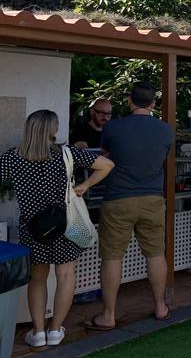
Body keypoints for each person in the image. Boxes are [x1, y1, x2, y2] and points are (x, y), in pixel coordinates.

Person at [1, 110, 113, 347]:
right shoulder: (66, 153)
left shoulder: (13, 157)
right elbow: (107, 165)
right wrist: (83, 186)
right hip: (66, 223)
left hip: (33, 228)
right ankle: (55, 331)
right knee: (65, 275)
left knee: (38, 278)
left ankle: (38, 332)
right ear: (53, 129)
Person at [85, 82, 174, 331]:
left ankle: (108, 315)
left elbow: (104, 157)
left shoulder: (113, 127)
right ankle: (160, 307)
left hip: (117, 199)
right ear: (154, 104)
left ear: (129, 101)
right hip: (152, 200)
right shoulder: (166, 130)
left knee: (112, 257)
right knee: (156, 254)